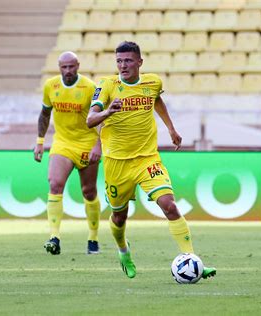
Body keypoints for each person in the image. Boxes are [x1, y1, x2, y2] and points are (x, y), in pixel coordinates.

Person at [87, 41, 216, 279]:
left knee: (169, 204)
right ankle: (123, 251)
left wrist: (171, 128)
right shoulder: (106, 86)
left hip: (147, 158)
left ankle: (191, 258)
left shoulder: (153, 82)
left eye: (127, 61)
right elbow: (90, 119)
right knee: (119, 216)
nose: (122, 66)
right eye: (119, 61)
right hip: (117, 162)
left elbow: (156, 100)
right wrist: (108, 112)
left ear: (139, 62)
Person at [34, 51, 102, 255]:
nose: (68, 71)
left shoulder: (89, 87)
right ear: (59, 67)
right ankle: (54, 237)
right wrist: (39, 142)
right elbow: (45, 115)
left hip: (87, 144)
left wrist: (98, 145)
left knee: (88, 191)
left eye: (71, 66)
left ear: (78, 66)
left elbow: (100, 117)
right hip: (62, 144)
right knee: (54, 184)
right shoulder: (51, 86)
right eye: (64, 67)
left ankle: (93, 237)